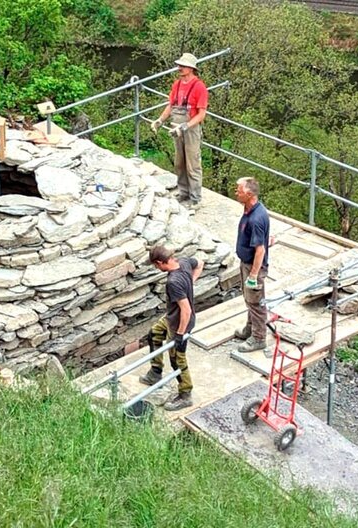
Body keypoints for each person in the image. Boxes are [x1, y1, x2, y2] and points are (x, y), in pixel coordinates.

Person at [139, 245, 204, 411]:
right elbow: (200, 263)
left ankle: (185, 394)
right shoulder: (184, 262)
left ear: (160, 262)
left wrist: (180, 335)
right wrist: (190, 283)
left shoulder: (173, 282)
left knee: (177, 358)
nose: (156, 268)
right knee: (154, 334)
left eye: (155, 265)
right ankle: (155, 372)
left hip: (180, 323)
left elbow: (186, 310)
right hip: (171, 318)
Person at [150, 53, 209, 207]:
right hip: (176, 128)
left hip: (191, 130)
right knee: (179, 163)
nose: (179, 68)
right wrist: (160, 120)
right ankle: (183, 193)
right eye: (179, 65)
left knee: (192, 165)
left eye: (182, 66)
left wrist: (185, 126)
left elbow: (201, 114)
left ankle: (195, 199)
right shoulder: (176, 85)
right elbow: (171, 105)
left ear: (191, 68)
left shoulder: (199, 87)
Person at [234, 177, 271, 354]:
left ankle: (259, 338)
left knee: (256, 302)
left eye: (239, 190)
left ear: (249, 194)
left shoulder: (256, 218)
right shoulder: (249, 209)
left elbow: (260, 250)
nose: (236, 192)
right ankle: (250, 329)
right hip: (246, 263)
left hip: (253, 267)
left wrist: (253, 275)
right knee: (249, 299)